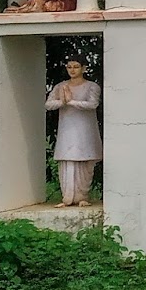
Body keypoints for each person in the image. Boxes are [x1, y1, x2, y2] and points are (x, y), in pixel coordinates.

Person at [46, 56, 102, 206]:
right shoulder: (60, 87)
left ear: (83, 68)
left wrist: (71, 102)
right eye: (69, 66)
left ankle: (82, 196)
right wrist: (62, 102)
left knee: (85, 161)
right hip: (66, 129)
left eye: (76, 66)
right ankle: (67, 197)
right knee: (67, 159)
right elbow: (48, 104)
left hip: (85, 130)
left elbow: (92, 104)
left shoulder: (92, 86)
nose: (72, 70)